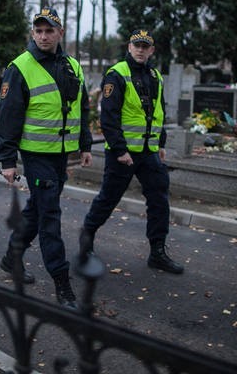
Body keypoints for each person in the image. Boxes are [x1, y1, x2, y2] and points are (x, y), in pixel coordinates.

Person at [0, 6, 94, 309]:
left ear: (59, 33)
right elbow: (8, 116)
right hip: (36, 155)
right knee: (50, 216)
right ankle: (62, 284)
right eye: (38, 30)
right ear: (32, 33)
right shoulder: (20, 67)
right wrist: (7, 161)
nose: (43, 36)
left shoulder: (73, 66)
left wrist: (85, 144)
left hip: (61, 154)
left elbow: (83, 107)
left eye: (49, 30)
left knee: (38, 209)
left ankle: (12, 257)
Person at [79, 29, 185, 274]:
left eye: (145, 46)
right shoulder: (117, 74)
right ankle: (86, 242)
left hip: (148, 152)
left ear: (151, 50)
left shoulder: (155, 76)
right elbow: (109, 117)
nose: (140, 50)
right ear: (129, 47)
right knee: (108, 199)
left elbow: (159, 112)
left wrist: (161, 144)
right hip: (122, 154)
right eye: (136, 45)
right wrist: (119, 150)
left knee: (159, 199)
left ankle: (157, 252)